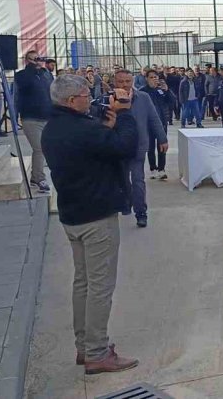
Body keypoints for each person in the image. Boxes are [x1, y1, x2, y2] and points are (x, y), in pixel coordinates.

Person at [41, 75, 139, 374]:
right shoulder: (82, 129)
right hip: (96, 216)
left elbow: (94, 151)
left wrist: (105, 128)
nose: (91, 98)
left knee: (83, 283)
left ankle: (85, 345)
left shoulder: (53, 128)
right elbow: (125, 147)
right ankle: (97, 352)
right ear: (72, 101)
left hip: (73, 214)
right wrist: (125, 114)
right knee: (100, 287)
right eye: (85, 95)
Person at [114, 70, 165, 228]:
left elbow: (154, 118)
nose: (125, 85)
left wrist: (162, 138)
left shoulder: (143, 97)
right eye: (121, 82)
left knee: (138, 181)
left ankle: (141, 212)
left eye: (128, 81)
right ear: (115, 82)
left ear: (133, 81)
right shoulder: (108, 99)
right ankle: (126, 202)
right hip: (117, 147)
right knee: (123, 180)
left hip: (138, 147)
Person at [14, 50, 54, 193]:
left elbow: (51, 92)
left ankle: (34, 177)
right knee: (39, 148)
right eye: (34, 59)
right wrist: (32, 68)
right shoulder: (22, 75)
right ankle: (39, 179)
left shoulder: (45, 74)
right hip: (30, 118)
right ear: (27, 61)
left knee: (45, 148)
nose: (38, 61)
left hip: (46, 117)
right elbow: (22, 87)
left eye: (39, 58)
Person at [141, 70, 174, 180]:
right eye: (151, 77)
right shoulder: (143, 92)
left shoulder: (161, 90)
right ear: (146, 79)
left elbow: (172, 102)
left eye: (155, 77)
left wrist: (167, 91)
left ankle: (161, 169)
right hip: (148, 124)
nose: (154, 79)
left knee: (162, 145)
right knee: (150, 147)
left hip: (161, 122)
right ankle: (153, 168)